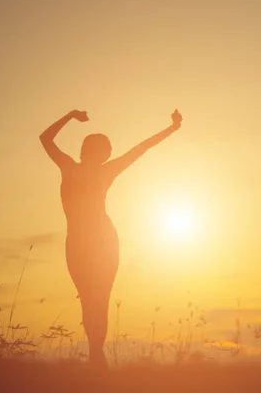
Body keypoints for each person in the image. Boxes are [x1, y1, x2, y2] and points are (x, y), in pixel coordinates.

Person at [39, 109, 183, 366]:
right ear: (92, 150)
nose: (107, 153)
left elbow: (141, 148)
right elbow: (45, 139)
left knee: (98, 298)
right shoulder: (70, 167)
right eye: (105, 149)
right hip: (79, 242)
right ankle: (97, 354)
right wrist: (70, 116)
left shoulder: (92, 169)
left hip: (103, 240)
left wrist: (171, 129)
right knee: (89, 298)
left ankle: (97, 355)